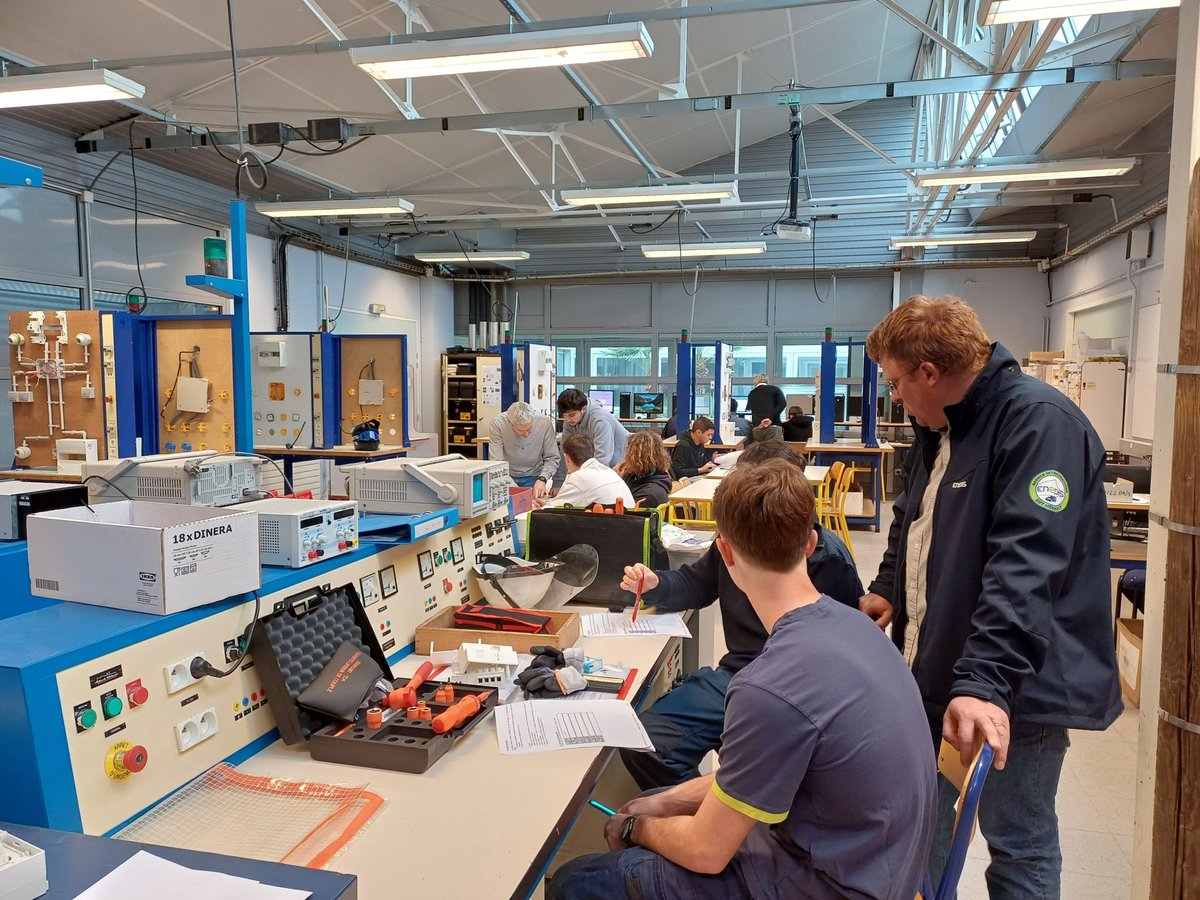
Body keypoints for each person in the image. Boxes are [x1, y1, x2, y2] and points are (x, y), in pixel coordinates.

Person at [550, 461, 936, 900]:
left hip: (828, 884)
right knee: (659, 796)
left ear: (726, 553)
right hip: (879, 866)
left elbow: (706, 852)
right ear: (810, 543)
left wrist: (638, 827)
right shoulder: (859, 629)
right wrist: (658, 806)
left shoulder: (770, 687)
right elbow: (750, 775)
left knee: (577, 881)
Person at [860, 294, 1121, 895]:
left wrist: (983, 683)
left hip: (1013, 691)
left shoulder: (1038, 423)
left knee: (1019, 843)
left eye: (896, 383)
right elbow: (913, 517)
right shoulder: (943, 422)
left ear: (929, 372)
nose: (895, 397)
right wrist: (886, 589)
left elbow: (1025, 565)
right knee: (921, 829)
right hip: (948, 672)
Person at [619, 440, 862, 791]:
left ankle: (715, 824)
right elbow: (697, 584)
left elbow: (839, 660)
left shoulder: (829, 559)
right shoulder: (737, 537)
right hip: (738, 674)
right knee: (644, 740)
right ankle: (706, 821)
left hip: (795, 691)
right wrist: (656, 583)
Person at [537, 434, 633, 510]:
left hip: (615, 529)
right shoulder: (608, 471)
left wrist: (541, 507)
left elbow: (552, 511)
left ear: (567, 458)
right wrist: (548, 505)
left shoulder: (579, 478)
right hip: (632, 526)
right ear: (593, 453)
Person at [487, 401, 558, 500]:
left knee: (533, 508)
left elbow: (552, 458)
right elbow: (496, 462)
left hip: (534, 476)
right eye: (520, 430)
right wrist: (516, 492)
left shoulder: (544, 423)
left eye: (529, 429)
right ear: (510, 423)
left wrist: (542, 479)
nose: (526, 435)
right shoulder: (498, 424)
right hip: (507, 476)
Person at [559, 388, 630, 468]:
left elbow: (602, 458)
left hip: (622, 466)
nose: (567, 420)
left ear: (583, 409)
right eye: (564, 415)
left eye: (572, 415)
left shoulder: (600, 421)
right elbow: (565, 452)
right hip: (600, 466)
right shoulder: (570, 419)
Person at [616, 431, 673, 508]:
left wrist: (617, 481)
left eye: (628, 451)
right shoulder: (659, 477)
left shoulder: (648, 495)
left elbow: (626, 515)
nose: (625, 456)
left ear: (635, 457)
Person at [669, 416, 716, 481]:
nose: (710, 438)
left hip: (697, 476)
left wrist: (712, 459)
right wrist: (700, 470)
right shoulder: (682, 446)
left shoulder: (700, 444)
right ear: (698, 432)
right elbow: (677, 472)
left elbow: (700, 464)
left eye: (712, 435)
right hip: (686, 480)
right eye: (708, 435)